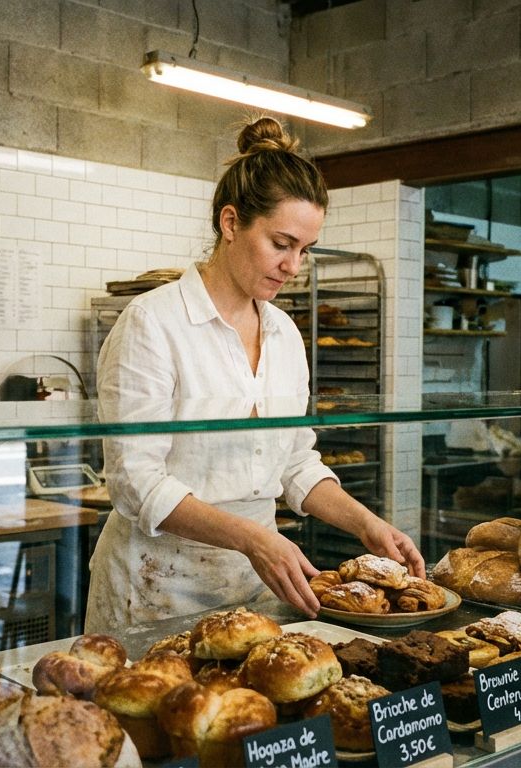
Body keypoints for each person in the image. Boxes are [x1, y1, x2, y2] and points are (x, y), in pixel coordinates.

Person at [84, 117, 424, 633]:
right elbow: (135, 482)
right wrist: (252, 536)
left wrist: (367, 525)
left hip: (253, 588)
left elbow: (294, 464)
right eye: (281, 243)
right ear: (230, 222)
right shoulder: (153, 323)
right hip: (156, 590)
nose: (294, 266)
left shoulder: (285, 334)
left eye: (305, 249)